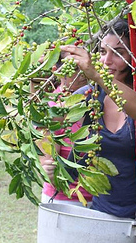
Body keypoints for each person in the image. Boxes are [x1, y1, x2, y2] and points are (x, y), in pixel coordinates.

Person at [61, 19, 136, 243]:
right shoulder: (91, 98)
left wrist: (97, 75)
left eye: (118, 52)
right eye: (103, 52)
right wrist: (55, 166)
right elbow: (81, 152)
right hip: (105, 216)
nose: (107, 60)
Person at [35, 52, 93, 207]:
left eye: (83, 66)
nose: (80, 74)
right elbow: (48, 161)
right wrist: (50, 171)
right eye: (73, 68)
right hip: (65, 199)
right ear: (56, 70)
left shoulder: (98, 96)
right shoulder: (50, 105)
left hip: (101, 199)